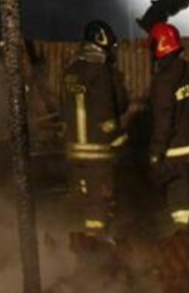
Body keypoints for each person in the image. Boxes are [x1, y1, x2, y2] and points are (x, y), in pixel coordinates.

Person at [62, 20, 130, 236]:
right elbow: (111, 109)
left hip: (75, 153)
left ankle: (82, 242)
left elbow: (63, 108)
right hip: (98, 152)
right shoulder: (102, 73)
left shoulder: (70, 72)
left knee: (83, 199)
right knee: (99, 202)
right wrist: (119, 139)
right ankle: (97, 247)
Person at [147, 22, 189, 229]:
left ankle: (185, 243)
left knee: (181, 209)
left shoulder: (163, 81)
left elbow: (163, 122)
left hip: (178, 156)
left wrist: (155, 155)